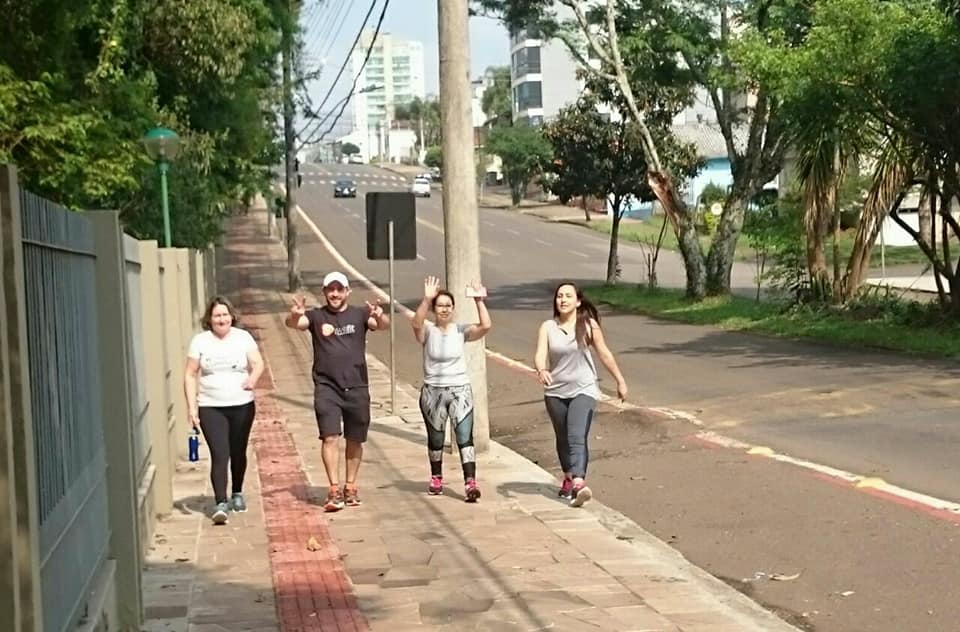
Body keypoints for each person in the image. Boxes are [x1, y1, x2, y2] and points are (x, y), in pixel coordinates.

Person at [285, 271, 388, 511]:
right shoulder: (316, 316)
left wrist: (379, 316)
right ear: (324, 292)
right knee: (330, 436)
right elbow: (295, 324)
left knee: (355, 438)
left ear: (347, 292)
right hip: (327, 387)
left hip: (357, 386)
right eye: (330, 290)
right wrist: (295, 314)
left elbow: (382, 326)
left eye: (339, 289)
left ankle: (350, 486)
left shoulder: (360, 314)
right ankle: (333, 489)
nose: (335, 294)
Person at [534, 282, 627, 507]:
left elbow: (604, 353)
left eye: (568, 296)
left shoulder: (588, 325)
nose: (563, 300)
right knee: (562, 437)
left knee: (576, 435)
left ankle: (578, 482)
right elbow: (540, 353)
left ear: (578, 301)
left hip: (583, 389)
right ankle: (568, 476)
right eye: (559, 296)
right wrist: (542, 369)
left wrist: (620, 380)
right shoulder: (548, 327)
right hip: (555, 392)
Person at [184, 296, 265, 525]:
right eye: (217, 315)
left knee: (238, 451)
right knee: (220, 454)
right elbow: (190, 374)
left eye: (225, 315)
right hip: (210, 406)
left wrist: (252, 379)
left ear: (232, 316)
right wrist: (192, 408)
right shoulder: (200, 341)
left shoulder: (243, 337)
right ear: (209, 319)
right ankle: (220, 502)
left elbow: (258, 363)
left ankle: (237, 492)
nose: (221, 319)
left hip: (242, 404)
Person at [411, 276, 492, 501]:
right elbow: (416, 324)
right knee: (436, 439)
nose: (444, 309)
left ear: (453, 308)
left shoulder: (460, 330)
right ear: (434, 309)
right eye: (440, 305)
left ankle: (470, 482)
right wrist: (426, 299)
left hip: (459, 391)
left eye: (448, 305)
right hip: (433, 392)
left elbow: (485, 326)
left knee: (464, 437)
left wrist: (479, 301)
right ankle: (436, 477)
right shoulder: (428, 330)